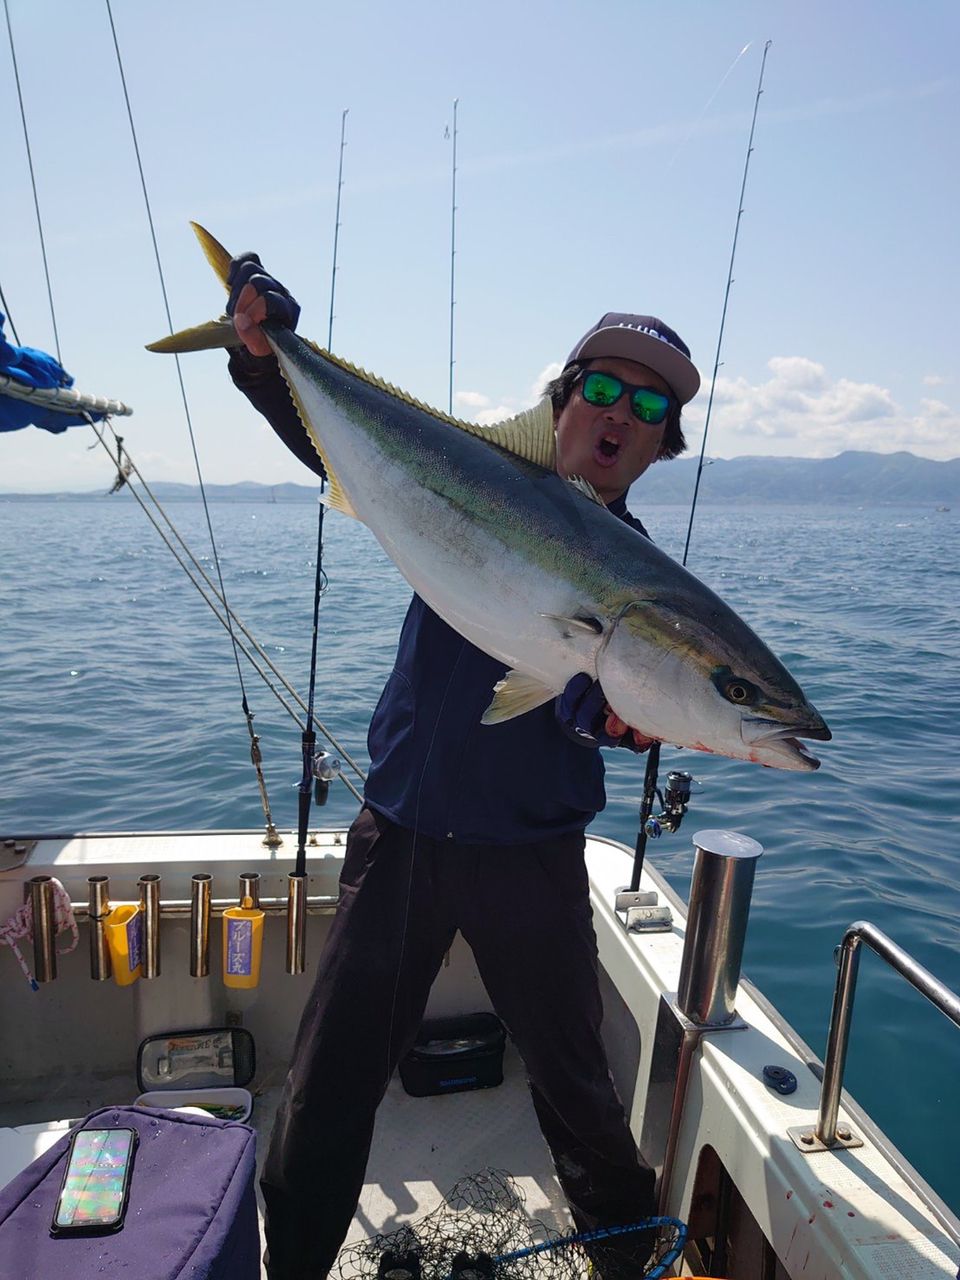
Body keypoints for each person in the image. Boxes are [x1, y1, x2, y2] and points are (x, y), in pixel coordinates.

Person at [225, 255, 701, 1280]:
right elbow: (340, 447)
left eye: (649, 404)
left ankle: (628, 1264)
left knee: (580, 1097)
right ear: (561, 402)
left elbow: (639, 702)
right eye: (603, 389)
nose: (619, 413)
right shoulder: (470, 473)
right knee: (326, 1089)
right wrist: (269, 360)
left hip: (530, 853)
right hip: (401, 831)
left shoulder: (647, 589)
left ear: (664, 443)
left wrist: (615, 722)